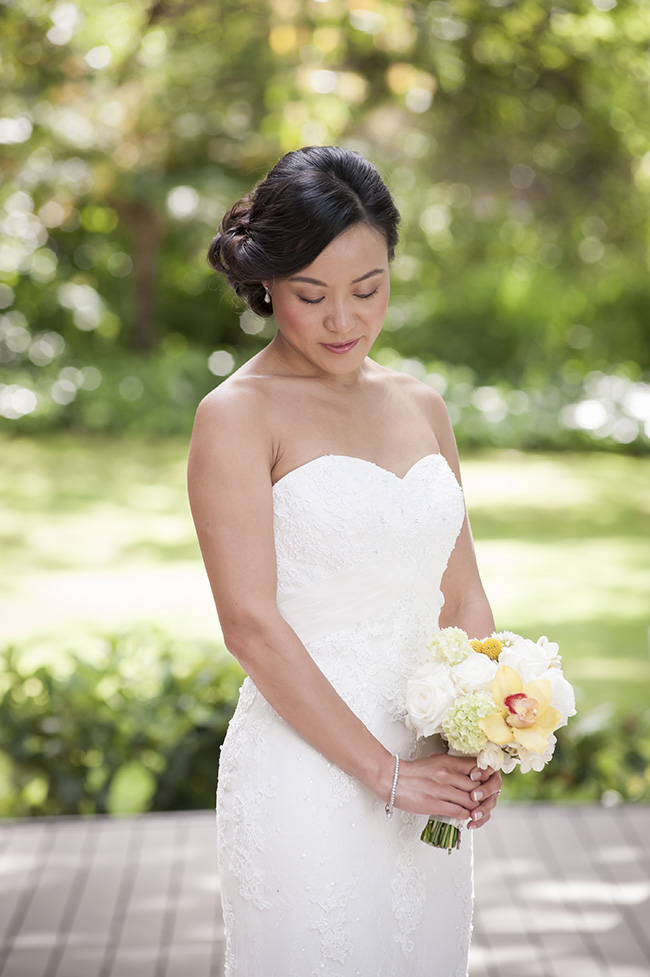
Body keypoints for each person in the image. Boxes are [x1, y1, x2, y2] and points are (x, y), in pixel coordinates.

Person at [187, 146, 501, 977]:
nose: (343, 321)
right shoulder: (237, 417)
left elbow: (463, 591)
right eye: (310, 296)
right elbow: (250, 624)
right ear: (266, 287)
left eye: (368, 290)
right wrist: (384, 773)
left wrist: (479, 742)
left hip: (429, 775)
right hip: (309, 774)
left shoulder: (421, 405)